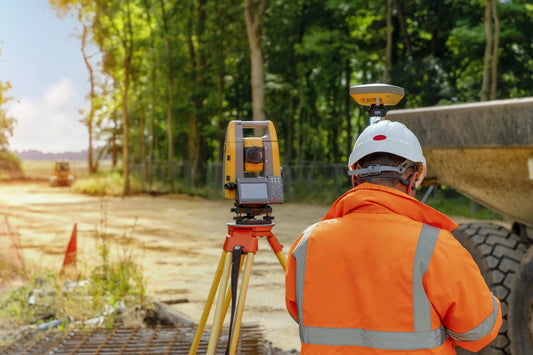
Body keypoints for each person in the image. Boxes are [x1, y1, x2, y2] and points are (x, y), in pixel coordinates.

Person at [285, 120, 502, 354]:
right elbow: (478, 331)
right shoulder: (434, 245)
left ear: (356, 178)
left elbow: (302, 313)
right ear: (411, 179)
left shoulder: (308, 243)